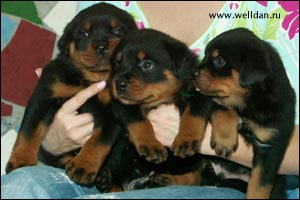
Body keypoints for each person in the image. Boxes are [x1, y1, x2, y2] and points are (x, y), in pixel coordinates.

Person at [1, 1, 299, 199]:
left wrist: (201, 138)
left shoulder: (273, 10)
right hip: (118, 174)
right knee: (20, 187)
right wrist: (55, 142)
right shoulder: (110, 8)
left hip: (226, 182)